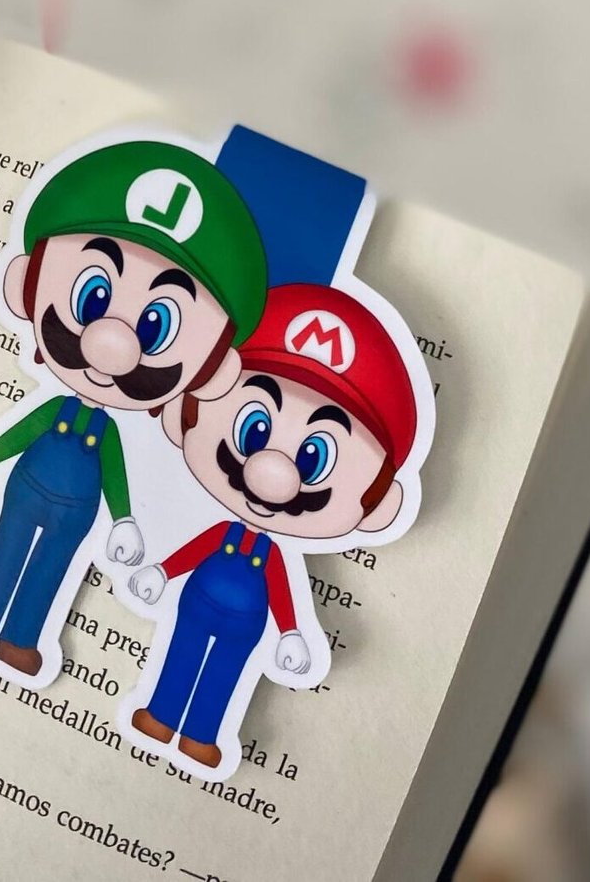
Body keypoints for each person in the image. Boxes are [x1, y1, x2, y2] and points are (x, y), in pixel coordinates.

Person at [0, 138, 267, 679]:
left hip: (78, 510)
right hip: (26, 487)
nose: (113, 342)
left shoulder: (109, 430)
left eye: (157, 325)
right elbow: (23, 430)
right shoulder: (56, 409)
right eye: (93, 296)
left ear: (212, 370)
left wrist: (123, 519)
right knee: (5, 545)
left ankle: (21, 638)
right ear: (26, 285)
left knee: (52, 567)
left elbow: (114, 472)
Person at [128, 280, 426, 769]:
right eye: (255, 429)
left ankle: (201, 733)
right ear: (188, 414)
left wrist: (289, 631)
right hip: (199, 599)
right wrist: (163, 570)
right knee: (182, 651)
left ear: (376, 503)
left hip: (247, 621)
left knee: (225, 671)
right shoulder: (224, 535)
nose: (274, 473)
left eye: (313, 458)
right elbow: (195, 550)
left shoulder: (272, 556)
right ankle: (161, 714)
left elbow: (283, 591)